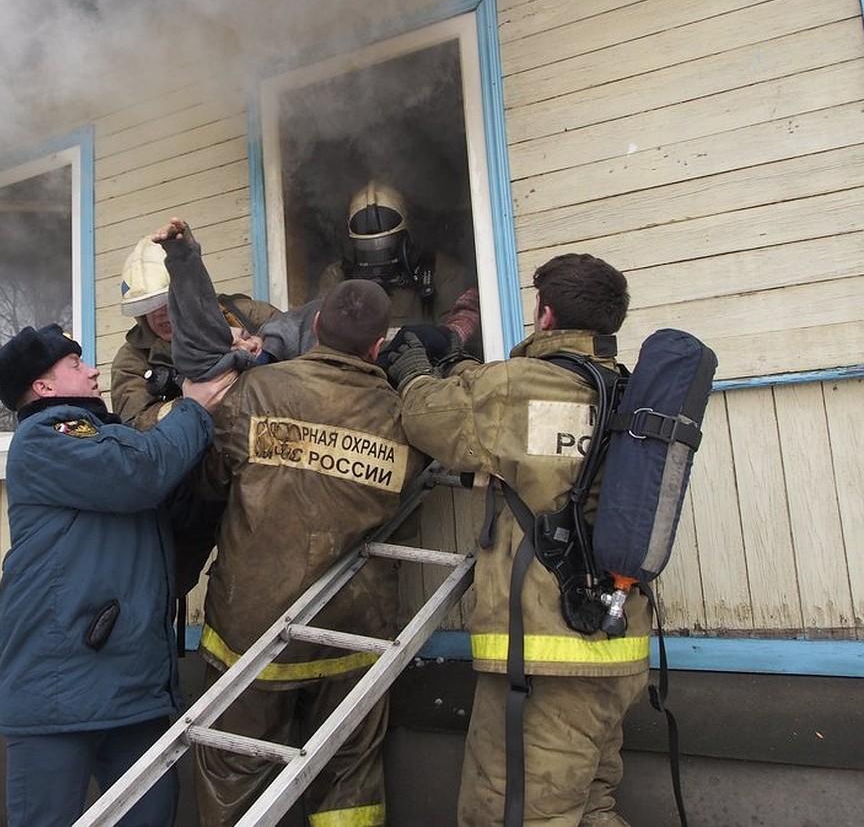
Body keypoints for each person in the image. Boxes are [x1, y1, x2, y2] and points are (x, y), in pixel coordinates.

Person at [380, 253, 648, 827]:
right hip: (617, 645)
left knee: (509, 812)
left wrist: (411, 373)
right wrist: (460, 367)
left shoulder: (519, 388)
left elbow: (429, 417)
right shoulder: (626, 393)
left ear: (545, 315)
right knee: (589, 807)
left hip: (547, 660)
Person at [192, 278, 426, 826]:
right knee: (348, 777)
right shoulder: (401, 415)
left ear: (314, 327)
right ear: (378, 345)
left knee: (234, 771)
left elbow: (210, 479)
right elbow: (407, 509)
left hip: (249, 630)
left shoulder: (258, 391)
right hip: (352, 631)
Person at [0, 322, 235, 827]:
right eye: (76, 365)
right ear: (45, 387)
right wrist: (192, 408)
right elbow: (139, 476)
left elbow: (175, 502)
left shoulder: (110, 440)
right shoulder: (46, 438)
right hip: (60, 691)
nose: (94, 369)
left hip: (131, 684)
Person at [111, 234, 281, 599]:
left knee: (264, 578)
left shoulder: (246, 315)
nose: (159, 314)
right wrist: (188, 403)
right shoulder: (132, 358)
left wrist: (265, 349)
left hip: (261, 468)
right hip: (192, 480)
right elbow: (134, 425)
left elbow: (299, 344)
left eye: (164, 300)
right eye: (147, 306)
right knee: (161, 581)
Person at [318, 180, 482, 352]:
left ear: (406, 237)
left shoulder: (439, 271)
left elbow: (456, 337)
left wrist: (432, 341)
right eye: (366, 248)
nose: (377, 255)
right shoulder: (338, 276)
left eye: (386, 245)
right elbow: (320, 337)